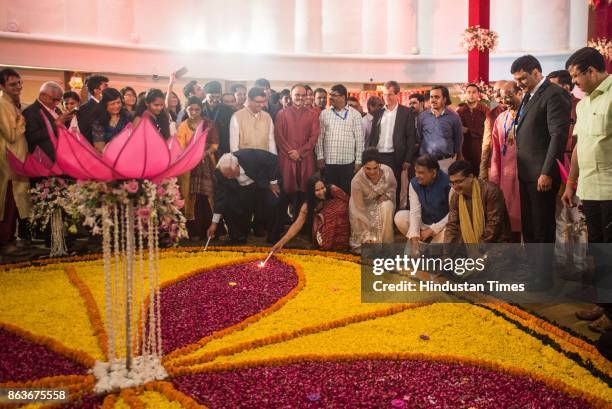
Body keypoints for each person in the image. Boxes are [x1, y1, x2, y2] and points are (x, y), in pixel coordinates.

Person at [561, 47, 612, 330]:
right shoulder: (583, 104)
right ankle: (605, 305)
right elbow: (580, 145)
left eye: (576, 76)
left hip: (611, 190)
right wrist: (571, 182)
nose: (574, 83)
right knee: (598, 252)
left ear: (591, 70)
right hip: (590, 189)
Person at [511, 55, 569, 244]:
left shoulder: (553, 93)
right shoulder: (529, 94)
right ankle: (533, 270)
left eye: (522, 78)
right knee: (529, 227)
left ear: (536, 72)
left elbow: (558, 136)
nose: (519, 84)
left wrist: (547, 172)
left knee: (542, 229)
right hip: (527, 173)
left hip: (541, 174)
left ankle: (544, 274)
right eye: (516, 80)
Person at [207, 150, 283, 244]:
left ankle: (274, 237)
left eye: (232, 175)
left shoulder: (250, 156)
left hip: (262, 186)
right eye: (227, 177)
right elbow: (220, 197)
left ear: (237, 165)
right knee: (228, 204)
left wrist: (273, 182)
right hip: (241, 191)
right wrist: (214, 223)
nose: (230, 178)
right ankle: (238, 237)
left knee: (274, 200)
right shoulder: (220, 173)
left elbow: (273, 160)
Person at [368, 80, 418, 207]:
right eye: (384, 94)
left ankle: (392, 219)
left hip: (395, 157)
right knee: (376, 188)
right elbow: (373, 135)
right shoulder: (378, 113)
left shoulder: (406, 113)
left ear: (397, 95)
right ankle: (377, 218)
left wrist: (407, 159)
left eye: (390, 94)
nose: (387, 98)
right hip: (377, 156)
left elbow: (411, 138)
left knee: (393, 189)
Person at [274, 84, 319, 222]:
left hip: (305, 159)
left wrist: (300, 152)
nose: (300, 98)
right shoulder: (282, 114)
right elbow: (279, 137)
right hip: (286, 159)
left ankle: (301, 226)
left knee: (305, 192)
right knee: (284, 192)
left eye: (303, 95)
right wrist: (291, 153)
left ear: (307, 96)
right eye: (297, 95)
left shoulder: (313, 114)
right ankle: (277, 228)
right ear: (291, 96)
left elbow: (314, 137)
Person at [176, 96, 219, 241]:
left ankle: (214, 230)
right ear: (186, 109)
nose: (193, 112)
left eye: (197, 109)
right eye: (190, 109)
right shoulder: (183, 125)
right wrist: (191, 155)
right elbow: (180, 146)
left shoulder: (209, 124)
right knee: (191, 195)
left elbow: (214, 145)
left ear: (201, 109)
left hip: (207, 163)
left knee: (207, 195)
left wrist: (203, 153)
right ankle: (194, 231)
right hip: (188, 165)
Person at [272, 174, 350, 252]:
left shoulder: (333, 190)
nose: (321, 192)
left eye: (322, 188)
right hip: (325, 235)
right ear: (311, 192)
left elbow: (348, 202)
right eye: (317, 190)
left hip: (341, 226)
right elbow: (297, 224)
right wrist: (281, 242)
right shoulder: (308, 205)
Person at [0, 68, 31, 256]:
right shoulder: (3, 104)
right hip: (8, 158)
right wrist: (22, 118)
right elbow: (11, 134)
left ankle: (12, 238)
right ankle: (5, 241)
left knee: (17, 200)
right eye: (13, 84)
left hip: (18, 157)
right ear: (2, 86)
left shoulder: (12, 103)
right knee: (8, 200)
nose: (18, 87)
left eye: (19, 83)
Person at [445, 160, 512, 244]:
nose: (455, 186)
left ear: (470, 177)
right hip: (470, 245)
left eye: (458, 181)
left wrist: (478, 250)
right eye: (452, 183)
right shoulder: (456, 197)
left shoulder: (491, 192)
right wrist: (446, 253)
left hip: (496, 244)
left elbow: (493, 225)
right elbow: (452, 225)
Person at [316, 84, 365, 195]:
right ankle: (331, 213)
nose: (331, 97)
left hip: (348, 163)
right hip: (329, 163)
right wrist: (320, 156)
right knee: (330, 194)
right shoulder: (324, 114)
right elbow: (320, 137)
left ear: (343, 97)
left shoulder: (355, 114)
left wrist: (358, 161)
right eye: (330, 95)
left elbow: (360, 140)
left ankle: (346, 213)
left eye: (334, 95)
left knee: (346, 194)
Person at [489, 81, 522, 237]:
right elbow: (495, 150)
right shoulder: (501, 118)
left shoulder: (528, 114)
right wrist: (494, 177)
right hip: (506, 177)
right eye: (502, 97)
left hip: (525, 175)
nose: (504, 100)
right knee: (508, 216)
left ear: (519, 93)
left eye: (508, 96)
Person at [395, 154, 450, 245]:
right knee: (400, 217)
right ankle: (423, 242)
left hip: (441, 227)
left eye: (421, 173)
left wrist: (433, 229)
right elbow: (415, 211)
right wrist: (414, 234)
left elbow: (453, 214)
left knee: (449, 232)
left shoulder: (448, 184)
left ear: (433, 173)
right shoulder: (414, 183)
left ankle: (430, 245)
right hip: (424, 224)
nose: (417, 176)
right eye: (416, 172)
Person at [349, 147, 396, 252]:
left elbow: (392, 189)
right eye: (368, 168)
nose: (372, 172)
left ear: (379, 164)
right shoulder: (356, 181)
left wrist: (387, 195)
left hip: (380, 203)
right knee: (368, 246)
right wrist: (368, 236)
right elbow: (358, 210)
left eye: (375, 168)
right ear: (363, 166)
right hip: (362, 208)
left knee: (387, 205)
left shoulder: (387, 171)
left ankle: (387, 244)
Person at [418, 85, 463, 173]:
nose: (433, 100)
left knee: (445, 186)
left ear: (445, 99)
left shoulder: (454, 117)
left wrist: (454, 155)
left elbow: (458, 139)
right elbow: (419, 137)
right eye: (431, 97)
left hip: (445, 162)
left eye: (437, 97)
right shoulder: (422, 116)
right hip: (426, 162)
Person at [23, 82, 73, 162]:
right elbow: (31, 137)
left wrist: (67, 120)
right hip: (45, 158)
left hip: (62, 154)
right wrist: (55, 125)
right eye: (54, 99)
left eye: (59, 100)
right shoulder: (31, 112)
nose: (57, 103)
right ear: (43, 95)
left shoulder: (57, 109)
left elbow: (61, 128)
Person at [230, 87, 277, 154]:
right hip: (244, 160)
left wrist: (273, 158)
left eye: (263, 101)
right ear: (249, 100)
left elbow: (271, 141)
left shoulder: (267, 117)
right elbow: (234, 145)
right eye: (258, 102)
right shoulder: (237, 117)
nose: (261, 105)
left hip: (264, 159)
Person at [457, 83, 489, 177]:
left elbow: (486, 130)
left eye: (474, 92)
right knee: (466, 176)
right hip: (464, 149)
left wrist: (468, 130)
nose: (471, 95)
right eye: (469, 92)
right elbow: (458, 130)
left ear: (478, 94)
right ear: (465, 94)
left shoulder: (485, 110)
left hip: (480, 148)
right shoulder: (460, 111)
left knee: (480, 178)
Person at [480, 80, 508, 179]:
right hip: (495, 161)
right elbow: (486, 143)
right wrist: (483, 170)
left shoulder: (520, 111)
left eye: (501, 91)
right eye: (495, 92)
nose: (498, 95)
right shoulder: (491, 114)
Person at [73, 75, 109, 143]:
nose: (108, 88)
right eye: (105, 86)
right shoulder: (84, 109)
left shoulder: (108, 106)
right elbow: (86, 134)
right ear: (96, 90)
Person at [202, 81, 234, 155]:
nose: (215, 100)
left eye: (217, 97)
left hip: (223, 148)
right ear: (205, 95)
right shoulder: (199, 109)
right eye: (212, 97)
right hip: (204, 149)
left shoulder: (228, 111)